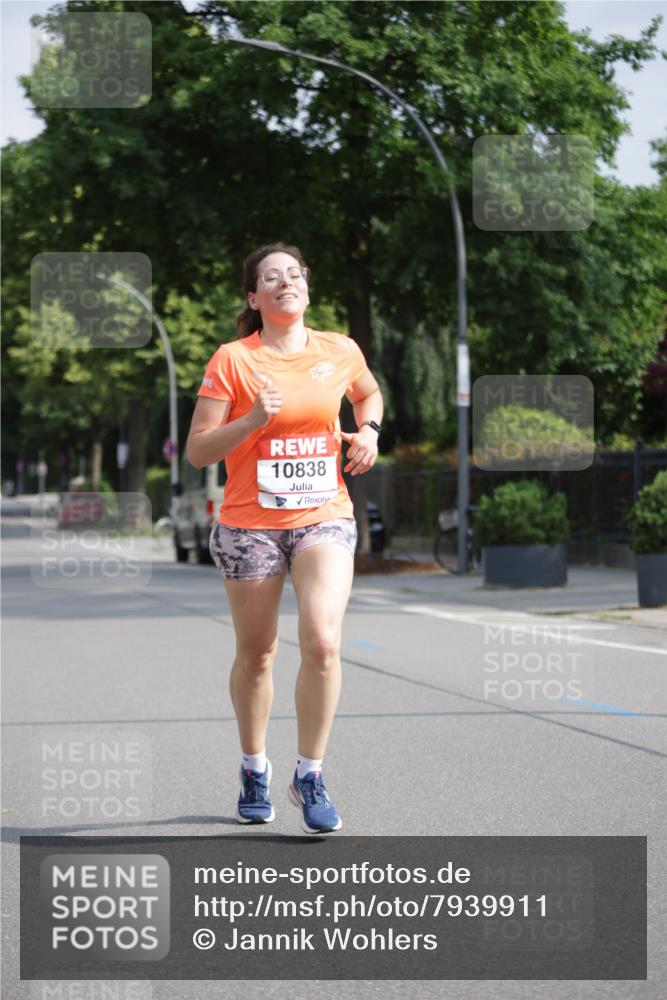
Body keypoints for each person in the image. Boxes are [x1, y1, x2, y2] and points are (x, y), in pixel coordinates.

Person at [186, 242, 383, 834]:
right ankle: (253, 767)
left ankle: (311, 773)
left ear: (306, 288)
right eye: (270, 277)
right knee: (259, 653)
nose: (284, 282)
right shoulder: (233, 360)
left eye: (294, 274)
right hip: (249, 523)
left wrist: (368, 430)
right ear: (254, 297)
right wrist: (250, 421)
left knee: (322, 641)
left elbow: (367, 393)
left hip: (324, 513)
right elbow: (198, 451)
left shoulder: (340, 350)